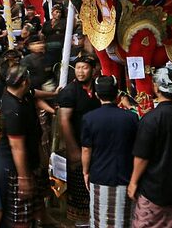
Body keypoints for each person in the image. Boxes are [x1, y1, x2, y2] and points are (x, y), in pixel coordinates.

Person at [129, 66, 172, 228]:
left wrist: (133, 182)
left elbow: (142, 157)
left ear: (156, 88)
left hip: (154, 190)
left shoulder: (151, 119)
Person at [81, 76, 138, 228]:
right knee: (124, 218)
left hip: (100, 174)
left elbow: (86, 149)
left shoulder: (89, 118)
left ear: (97, 95)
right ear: (117, 95)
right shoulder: (131, 118)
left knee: (100, 218)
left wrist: (85, 172)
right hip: (126, 175)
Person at [0, 65, 46, 228]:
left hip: (32, 159)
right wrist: (23, 177)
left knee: (37, 201)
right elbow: (16, 147)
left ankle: (42, 221)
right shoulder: (13, 110)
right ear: (25, 82)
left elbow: (35, 94)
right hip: (17, 167)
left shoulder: (21, 94)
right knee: (21, 215)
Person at [58, 54, 100, 221]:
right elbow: (64, 120)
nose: (81, 72)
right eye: (78, 68)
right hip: (79, 143)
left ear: (93, 70)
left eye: (85, 68)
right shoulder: (70, 92)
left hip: (95, 143)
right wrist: (73, 148)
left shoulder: (97, 87)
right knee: (79, 185)